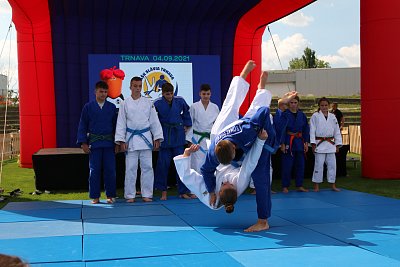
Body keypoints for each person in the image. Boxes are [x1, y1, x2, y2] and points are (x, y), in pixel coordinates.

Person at [201, 60, 280, 232]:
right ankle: (257, 85)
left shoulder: (246, 131)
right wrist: (211, 191)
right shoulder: (214, 153)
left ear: (235, 150)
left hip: (240, 132)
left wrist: (270, 142)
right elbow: (206, 170)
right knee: (230, 106)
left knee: (253, 112)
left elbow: (264, 113)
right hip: (223, 134)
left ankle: (263, 221)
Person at [174, 130, 267, 212]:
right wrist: (260, 141)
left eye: (223, 185)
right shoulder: (240, 183)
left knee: (217, 130)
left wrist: (187, 153)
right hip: (235, 154)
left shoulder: (210, 198)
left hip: (217, 156)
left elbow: (188, 178)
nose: (226, 182)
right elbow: (250, 163)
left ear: (219, 192)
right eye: (230, 184)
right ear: (236, 189)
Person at [115, 77, 163, 202]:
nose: (137, 88)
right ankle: (130, 195)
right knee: (131, 168)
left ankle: (147, 194)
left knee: (147, 167)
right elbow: (121, 122)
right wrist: (121, 140)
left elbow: (154, 121)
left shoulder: (148, 102)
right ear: (130, 87)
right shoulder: (124, 103)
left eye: (139, 86)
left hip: (145, 138)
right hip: (130, 139)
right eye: (135, 86)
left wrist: (157, 137)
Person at [77, 81, 118, 204]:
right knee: (94, 170)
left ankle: (110, 195)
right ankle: (95, 196)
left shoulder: (112, 107)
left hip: (109, 143)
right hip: (94, 144)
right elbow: (82, 125)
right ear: (95, 92)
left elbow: (116, 126)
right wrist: (83, 143)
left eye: (105, 92)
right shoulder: (88, 107)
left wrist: (117, 143)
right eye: (101, 91)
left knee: (110, 170)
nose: (103, 94)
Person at [153, 82, 193, 200]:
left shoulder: (180, 101)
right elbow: (153, 119)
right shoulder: (157, 103)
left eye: (171, 94)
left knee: (181, 164)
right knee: (163, 166)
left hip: (178, 135)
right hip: (165, 135)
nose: (169, 96)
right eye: (167, 94)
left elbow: (186, 112)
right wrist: (156, 135)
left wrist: (186, 124)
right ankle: (163, 192)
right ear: (162, 93)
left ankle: (183, 191)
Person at [278, 95, 310, 193]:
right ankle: (285, 186)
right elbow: (281, 129)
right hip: (289, 140)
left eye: (295, 102)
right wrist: (282, 143)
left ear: (298, 103)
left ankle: (299, 185)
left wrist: (306, 142)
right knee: (287, 165)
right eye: (291, 102)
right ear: (288, 104)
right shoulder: (284, 114)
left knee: (300, 165)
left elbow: (305, 129)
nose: (293, 104)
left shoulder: (302, 115)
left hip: (299, 141)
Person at [310, 97, 343, 192]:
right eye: (322, 105)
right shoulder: (315, 116)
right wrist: (313, 143)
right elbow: (312, 130)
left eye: (325, 105)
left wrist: (337, 144)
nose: (324, 107)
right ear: (319, 106)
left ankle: (332, 184)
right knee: (318, 165)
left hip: (330, 144)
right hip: (319, 144)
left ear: (328, 106)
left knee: (332, 165)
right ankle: (316, 186)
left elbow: (337, 131)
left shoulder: (332, 116)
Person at [187, 84, 220, 172]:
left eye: (208, 94)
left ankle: (209, 183)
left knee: (210, 161)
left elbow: (217, 124)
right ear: (200, 94)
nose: (206, 96)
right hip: (197, 138)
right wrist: (189, 140)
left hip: (210, 138)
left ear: (210, 94)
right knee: (196, 162)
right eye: (204, 94)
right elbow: (190, 123)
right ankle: (197, 183)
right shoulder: (194, 107)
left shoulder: (215, 107)